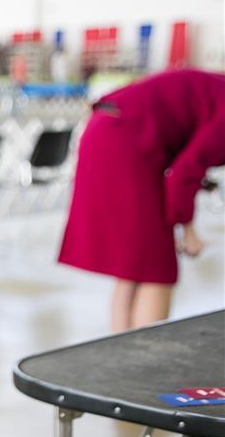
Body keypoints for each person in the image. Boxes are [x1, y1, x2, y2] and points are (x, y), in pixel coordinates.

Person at [59, 68, 225, 332]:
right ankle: (147, 364)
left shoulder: (218, 89)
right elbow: (182, 175)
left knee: (133, 264)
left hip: (108, 130)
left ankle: (123, 360)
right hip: (124, 142)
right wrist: (188, 230)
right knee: (158, 269)